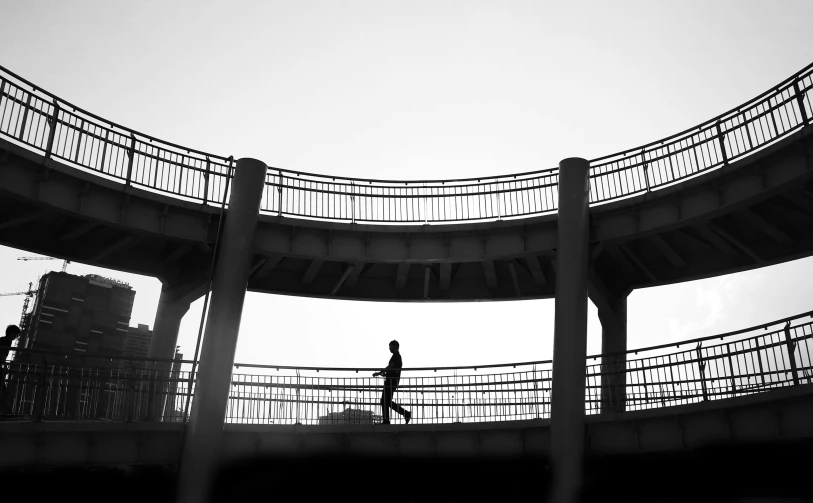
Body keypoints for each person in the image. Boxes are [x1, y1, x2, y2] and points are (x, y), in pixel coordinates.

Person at [372, 340, 411, 425]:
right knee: (386, 401)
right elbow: (392, 368)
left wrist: (379, 372)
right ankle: (404, 414)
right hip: (391, 381)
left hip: (391, 382)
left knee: (384, 401)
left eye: (391, 346)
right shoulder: (396, 356)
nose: (389, 348)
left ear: (396, 347)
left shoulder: (396, 356)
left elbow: (391, 366)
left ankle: (390, 419)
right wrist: (385, 373)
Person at [0, 325, 21, 413]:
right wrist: (5, 365)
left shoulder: (3, 339)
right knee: (2, 391)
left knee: (2, 389)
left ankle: (6, 410)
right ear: (11, 333)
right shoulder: (6, 341)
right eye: (15, 334)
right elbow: (1, 354)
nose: (16, 337)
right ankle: (6, 411)